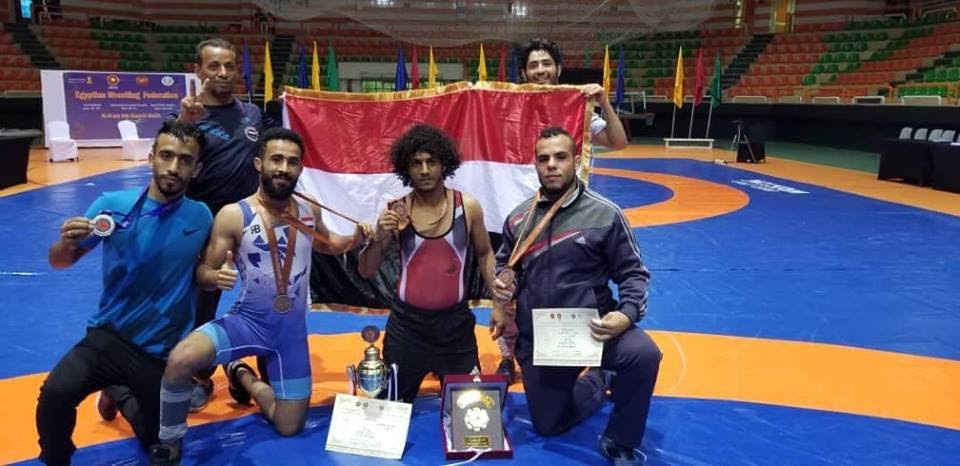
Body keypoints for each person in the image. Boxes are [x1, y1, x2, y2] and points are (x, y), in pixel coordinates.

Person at [151, 128, 371, 464]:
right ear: (259, 163)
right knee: (181, 359)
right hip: (247, 323)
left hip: (289, 335)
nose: (283, 168)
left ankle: (240, 372)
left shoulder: (308, 211)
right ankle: (169, 441)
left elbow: (329, 244)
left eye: (292, 162)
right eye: (276, 159)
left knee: (289, 426)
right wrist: (216, 277)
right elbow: (203, 274)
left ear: (300, 168)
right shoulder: (234, 215)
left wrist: (356, 238)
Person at [37, 120, 211, 466]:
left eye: (185, 160)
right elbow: (60, 261)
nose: (174, 167)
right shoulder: (112, 205)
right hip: (109, 337)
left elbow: (203, 273)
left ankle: (117, 391)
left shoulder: (202, 216)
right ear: (151, 157)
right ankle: (56, 459)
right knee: (54, 394)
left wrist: (214, 276)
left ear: (197, 169)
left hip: (159, 350)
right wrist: (67, 242)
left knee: (158, 446)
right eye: (166, 155)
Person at [492, 127, 661, 465]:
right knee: (548, 425)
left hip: (594, 329)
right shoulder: (519, 218)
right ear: (535, 165)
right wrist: (504, 283)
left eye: (560, 157)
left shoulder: (604, 213)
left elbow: (633, 273)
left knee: (643, 354)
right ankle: (599, 378)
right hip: (542, 337)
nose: (551, 165)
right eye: (543, 159)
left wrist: (626, 314)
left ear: (576, 161)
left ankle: (620, 439)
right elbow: (505, 265)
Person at [496, 37, 630, 382]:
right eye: (533, 65)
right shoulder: (508, 107)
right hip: (521, 213)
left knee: (571, 281)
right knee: (511, 285)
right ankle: (509, 354)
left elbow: (619, 142)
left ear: (558, 68)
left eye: (546, 63)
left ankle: (583, 351)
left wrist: (603, 102)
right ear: (523, 72)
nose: (540, 70)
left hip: (570, 211)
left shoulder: (576, 106)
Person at [357, 124, 506, 403]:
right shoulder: (395, 211)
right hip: (407, 329)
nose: (424, 170)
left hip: (455, 328)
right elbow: (366, 269)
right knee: (390, 410)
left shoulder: (467, 206)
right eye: (416, 163)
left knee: (470, 413)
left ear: (444, 164)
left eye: (431, 162)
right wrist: (377, 236)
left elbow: (486, 254)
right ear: (406, 168)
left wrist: (499, 304)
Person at [176, 37, 276, 411]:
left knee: (267, 296)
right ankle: (197, 375)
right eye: (213, 66)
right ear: (198, 70)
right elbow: (169, 162)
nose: (222, 73)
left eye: (229, 66)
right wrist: (185, 124)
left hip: (248, 224)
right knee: (201, 300)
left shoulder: (252, 114)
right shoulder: (188, 115)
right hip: (202, 227)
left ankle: (263, 364)